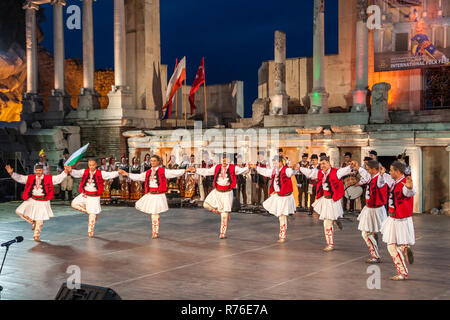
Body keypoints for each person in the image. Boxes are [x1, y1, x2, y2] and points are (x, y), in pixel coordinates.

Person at [119, 155, 188, 239]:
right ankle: (155, 231)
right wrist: (127, 174)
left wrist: (185, 170)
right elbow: (139, 176)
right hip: (150, 194)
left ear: (158, 162)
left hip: (159, 195)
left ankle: (155, 232)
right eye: (151, 161)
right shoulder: (148, 172)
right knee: (144, 208)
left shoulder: (163, 171)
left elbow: (173, 172)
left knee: (155, 213)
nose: (152, 162)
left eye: (154, 161)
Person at [298, 156, 354, 251]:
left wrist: (351, 166)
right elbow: (310, 173)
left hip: (333, 200)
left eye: (324, 163)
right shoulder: (320, 172)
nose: (322, 166)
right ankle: (330, 242)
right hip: (324, 199)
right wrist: (299, 168)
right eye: (321, 164)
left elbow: (345, 170)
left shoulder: (336, 172)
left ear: (329, 163)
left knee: (328, 220)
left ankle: (335, 223)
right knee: (327, 222)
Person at [5, 164, 70, 242]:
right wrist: (12, 173)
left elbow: (58, 179)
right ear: (35, 171)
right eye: (37, 171)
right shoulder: (30, 177)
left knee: (40, 219)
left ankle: (36, 235)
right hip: (32, 199)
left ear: (42, 170)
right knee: (18, 211)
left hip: (43, 201)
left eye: (40, 170)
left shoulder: (48, 178)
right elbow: (20, 178)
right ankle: (32, 221)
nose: (38, 172)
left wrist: (65, 172)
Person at [194, 153, 249, 239]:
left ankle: (222, 233)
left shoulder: (233, 167)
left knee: (224, 216)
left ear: (229, 160)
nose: (224, 160)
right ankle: (222, 212)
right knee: (205, 204)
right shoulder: (217, 167)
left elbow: (243, 170)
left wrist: (250, 167)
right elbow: (207, 171)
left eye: (225, 159)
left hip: (227, 193)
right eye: (222, 159)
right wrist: (195, 170)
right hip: (217, 191)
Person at [380, 161, 416, 281]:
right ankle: (404, 248)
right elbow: (387, 180)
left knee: (391, 246)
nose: (390, 172)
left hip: (400, 219)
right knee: (395, 244)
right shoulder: (396, 182)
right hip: (394, 218)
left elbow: (409, 192)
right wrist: (383, 173)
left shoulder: (404, 184)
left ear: (397, 171)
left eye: (391, 170)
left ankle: (402, 272)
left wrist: (410, 188)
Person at [70, 159, 120, 238]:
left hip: (94, 197)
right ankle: (88, 211)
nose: (91, 166)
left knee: (92, 215)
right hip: (85, 194)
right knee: (74, 204)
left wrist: (118, 172)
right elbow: (76, 173)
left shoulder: (100, 173)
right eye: (90, 165)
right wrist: (70, 170)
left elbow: (109, 174)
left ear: (96, 165)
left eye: (93, 165)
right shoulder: (85, 171)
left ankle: (90, 231)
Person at [251, 156, 296, 243]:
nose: (275, 164)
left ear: (280, 162)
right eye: (274, 162)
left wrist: (294, 169)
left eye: (276, 162)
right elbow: (265, 171)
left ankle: (282, 236)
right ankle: (284, 226)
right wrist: (255, 167)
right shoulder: (274, 170)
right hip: (278, 196)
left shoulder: (286, 170)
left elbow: (291, 172)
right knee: (280, 216)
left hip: (285, 197)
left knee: (281, 217)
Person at [354, 160, 388, 263]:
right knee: (369, 232)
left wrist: (382, 175)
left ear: (374, 169)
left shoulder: (379, 179)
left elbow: (381, 182)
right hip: (370, 208)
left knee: (373, 232)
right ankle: (375, 254)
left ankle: (376, 255)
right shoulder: (371, 177)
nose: (367, 171)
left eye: (368, 169)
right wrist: (357, 168)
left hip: (376, 209)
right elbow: (364, 173)